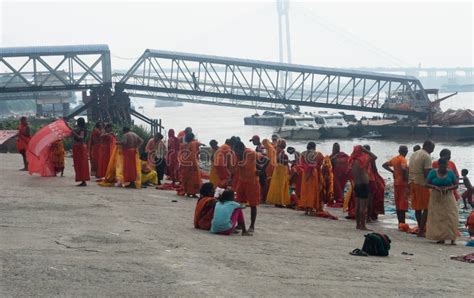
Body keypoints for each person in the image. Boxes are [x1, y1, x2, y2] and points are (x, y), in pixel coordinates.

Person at [425, 158, 459, 245]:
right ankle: (441, 238)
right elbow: (427, 184)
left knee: (451, 216)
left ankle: (452, 238)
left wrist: (448, 188)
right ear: (438, 165)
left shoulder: (450, 173)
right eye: (441, 166)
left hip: (448, 196)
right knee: (438, 217)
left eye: (445, 166)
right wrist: (435, 187)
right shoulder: (433, 172)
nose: (443, 168)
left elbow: (456, 185)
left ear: (447, 166)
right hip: (436, 196)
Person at [409, 140, 435, 237]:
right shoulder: (426, 156)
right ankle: (421, 231)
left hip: (413, 183)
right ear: (427, 146)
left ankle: (420, 228)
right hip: (422, 185)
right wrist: (433, 184)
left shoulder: (414, 154)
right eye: (432, 148)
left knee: (417, 208)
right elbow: (427, 173)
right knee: (427, 208)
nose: (432, 151)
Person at [233, 141, 260, 232]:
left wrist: (261, 171)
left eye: (237, 151)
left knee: (253, 204)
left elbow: (265, 159)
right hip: (242, 181)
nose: (236, 153)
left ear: (241, 149)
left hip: (252, 182)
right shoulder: (237, 154)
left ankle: (252, 225)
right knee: (238, 202)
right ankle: (239, 224)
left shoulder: (250, 153)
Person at [349, 145, 377, 230]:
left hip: (357, 184)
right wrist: (366, 150)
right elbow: (374, 157)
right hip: (364, 184)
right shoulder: (364, 159)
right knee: (363, 207)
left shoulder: (352, 160)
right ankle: (363, 225)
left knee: (357, 206)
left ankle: (358, 224)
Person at [383, 145, 409, 226]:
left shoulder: (395, 159)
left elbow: (384, 165)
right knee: (403, 203)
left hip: (396, 182)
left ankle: (399, 222)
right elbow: (404, 169)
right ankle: (403, 222)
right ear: (406, 151)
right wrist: (406, 179)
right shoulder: (403, 159)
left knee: (398, 203)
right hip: (402, 184)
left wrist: (392, 171)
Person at [299, 142, 324, 215]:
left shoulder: (303, 154)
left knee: (305, 190)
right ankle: (310, 208)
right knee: (312, 191)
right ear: (314, 147)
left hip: (305, 174)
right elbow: (320, 163)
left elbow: (300, 164)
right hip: (313, 174)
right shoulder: (318, 154)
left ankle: (306, 209)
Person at [266, 139, 290, 207]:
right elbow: (285, 162)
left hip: (277, 169)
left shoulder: (276, 151)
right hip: (282, 170)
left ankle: (276, 201)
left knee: (276, 186)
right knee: (281, 186)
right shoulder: (283, 154)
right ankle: (280, 202)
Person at [363, 144, 384, 221]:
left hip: (362, 180)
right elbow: (374, 169)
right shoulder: (370, 158)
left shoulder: (360, 159)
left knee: (362, 200)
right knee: (370, 199)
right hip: (370, 180)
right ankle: (369, 217)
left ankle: (364, 216)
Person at [179, 133, 201, 197]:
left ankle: (188, 192)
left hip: (185, 163)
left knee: (187, 177)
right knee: (194, 178)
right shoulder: (193, 144)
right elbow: (193, 155)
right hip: (192, 163)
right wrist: (194, 164)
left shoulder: (186, 144)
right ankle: (193, 192)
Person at [71, 117, 90, 186]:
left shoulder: (82, 130)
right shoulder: (79, 129)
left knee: (81, 164)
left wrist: (74, 134)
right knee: (79, 164)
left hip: (80, 147)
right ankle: (82, 180)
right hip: (78, 147)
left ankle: (83, 180)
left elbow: (81, 138)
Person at [330, 143, 350, 207]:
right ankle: (341, 199)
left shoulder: (333, 157)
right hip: (342, 175)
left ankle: (340, 199)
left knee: (337, 188)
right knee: (340, 188)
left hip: (336, 175)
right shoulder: (344, 155)